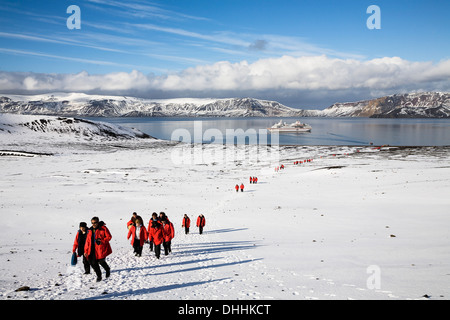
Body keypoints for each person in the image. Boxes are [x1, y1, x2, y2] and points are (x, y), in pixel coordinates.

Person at [84, 217, 112, 282]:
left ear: (98, 222)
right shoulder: (90, 230)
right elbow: (87, 241)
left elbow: (109, 237)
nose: (94, 224)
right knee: (93, 263)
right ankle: (99, 276)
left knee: (101, 261)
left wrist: (102, 240)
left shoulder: (103, 228)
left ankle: (107, 269)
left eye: (95, 222)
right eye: (92, 223)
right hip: (91, 249)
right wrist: (85, 251)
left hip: (100, 248)